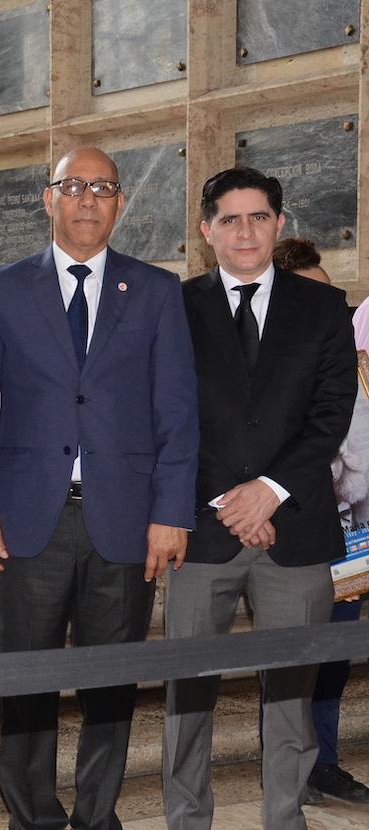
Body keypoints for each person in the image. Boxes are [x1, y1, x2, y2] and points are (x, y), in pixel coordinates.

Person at [0, 146, 200, 830]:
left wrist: (171, 511)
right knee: (24, 685)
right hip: (26, 522)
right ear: (49, 198)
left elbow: (177, 413)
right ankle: (31, 814)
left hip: (126, 523)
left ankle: (98, 816)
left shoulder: (155, 291)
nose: (88, 199)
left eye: (103, 188)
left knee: (111, 687)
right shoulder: (2, 287)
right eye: (74, 186)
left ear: (120, 203)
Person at [164, 168, 358, 830]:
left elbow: (331, 412)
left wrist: (269, 493)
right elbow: (164, 416)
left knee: (291, 701)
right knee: (186, 696)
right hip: (201, 527)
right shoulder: (175, 308)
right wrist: (232, 501)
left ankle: (286, 819)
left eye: (258, 217)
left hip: (296, 525)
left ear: (278, 224)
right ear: (206, 230)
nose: (244, 231)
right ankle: (187, 819)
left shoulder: (327, 310)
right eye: (229, 219)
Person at [266, 237, 367, 804]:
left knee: (331, 660)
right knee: (288, 662)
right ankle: (289, 773)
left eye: (339, 300)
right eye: (319, 297)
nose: (336, 313)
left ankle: (322, 761)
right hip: (293, 535)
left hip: (352, 536)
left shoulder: (351, 365)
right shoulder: (274, 371)